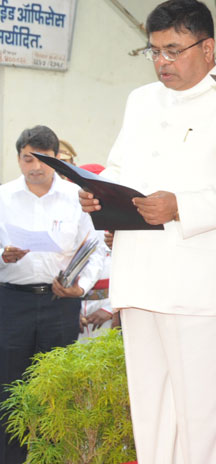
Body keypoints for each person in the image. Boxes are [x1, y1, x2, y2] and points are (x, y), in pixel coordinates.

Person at [79, 0, 216, 463]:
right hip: (142, 274)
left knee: (204, 419)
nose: (161, 62)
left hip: (203, 286)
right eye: (153, 51)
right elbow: (121, 168)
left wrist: (180, 207)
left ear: (208, 49)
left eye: (173, 50)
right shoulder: (141, 100)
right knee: (151, 415)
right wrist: (99, 199)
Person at [0, 125, 101, 464]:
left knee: (58, 389)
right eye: (28, 158)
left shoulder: (77, 197)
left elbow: (95, 248)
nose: (36, 167)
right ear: (18, 159)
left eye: (44, 159)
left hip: (61, 303)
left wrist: (81, 287)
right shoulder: (3, 197)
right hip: (13, 302)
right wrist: (2, 256)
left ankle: (54, 458)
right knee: (10, 388)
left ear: (57, 159)